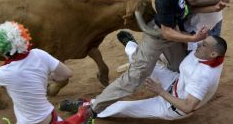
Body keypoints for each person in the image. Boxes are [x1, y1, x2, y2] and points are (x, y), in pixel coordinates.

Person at [64, 0, 219, 122]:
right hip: (159, 35)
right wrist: (192, 38)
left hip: (175, 31)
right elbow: (166, 32)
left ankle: (132, 47)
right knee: (134, 78)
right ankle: (93, 109)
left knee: (178, 67)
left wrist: (210, 7)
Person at [60, 35, 227, 120]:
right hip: (175, 81)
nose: (199, 44)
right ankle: (132, 47)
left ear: (213, 53)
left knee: (122, 108)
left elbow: (188, 107)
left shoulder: (203, 76)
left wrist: (160, 91)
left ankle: (88, 107)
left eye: (203, 44)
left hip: (171, 105)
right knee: (140, 59)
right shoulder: (206, 55)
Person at [0, 21, 89, 124]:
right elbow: (66, 73)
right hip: (51, 118)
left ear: (1, 50)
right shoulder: (39, 54)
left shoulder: (4, 73)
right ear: (23, 38)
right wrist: (43, 76)